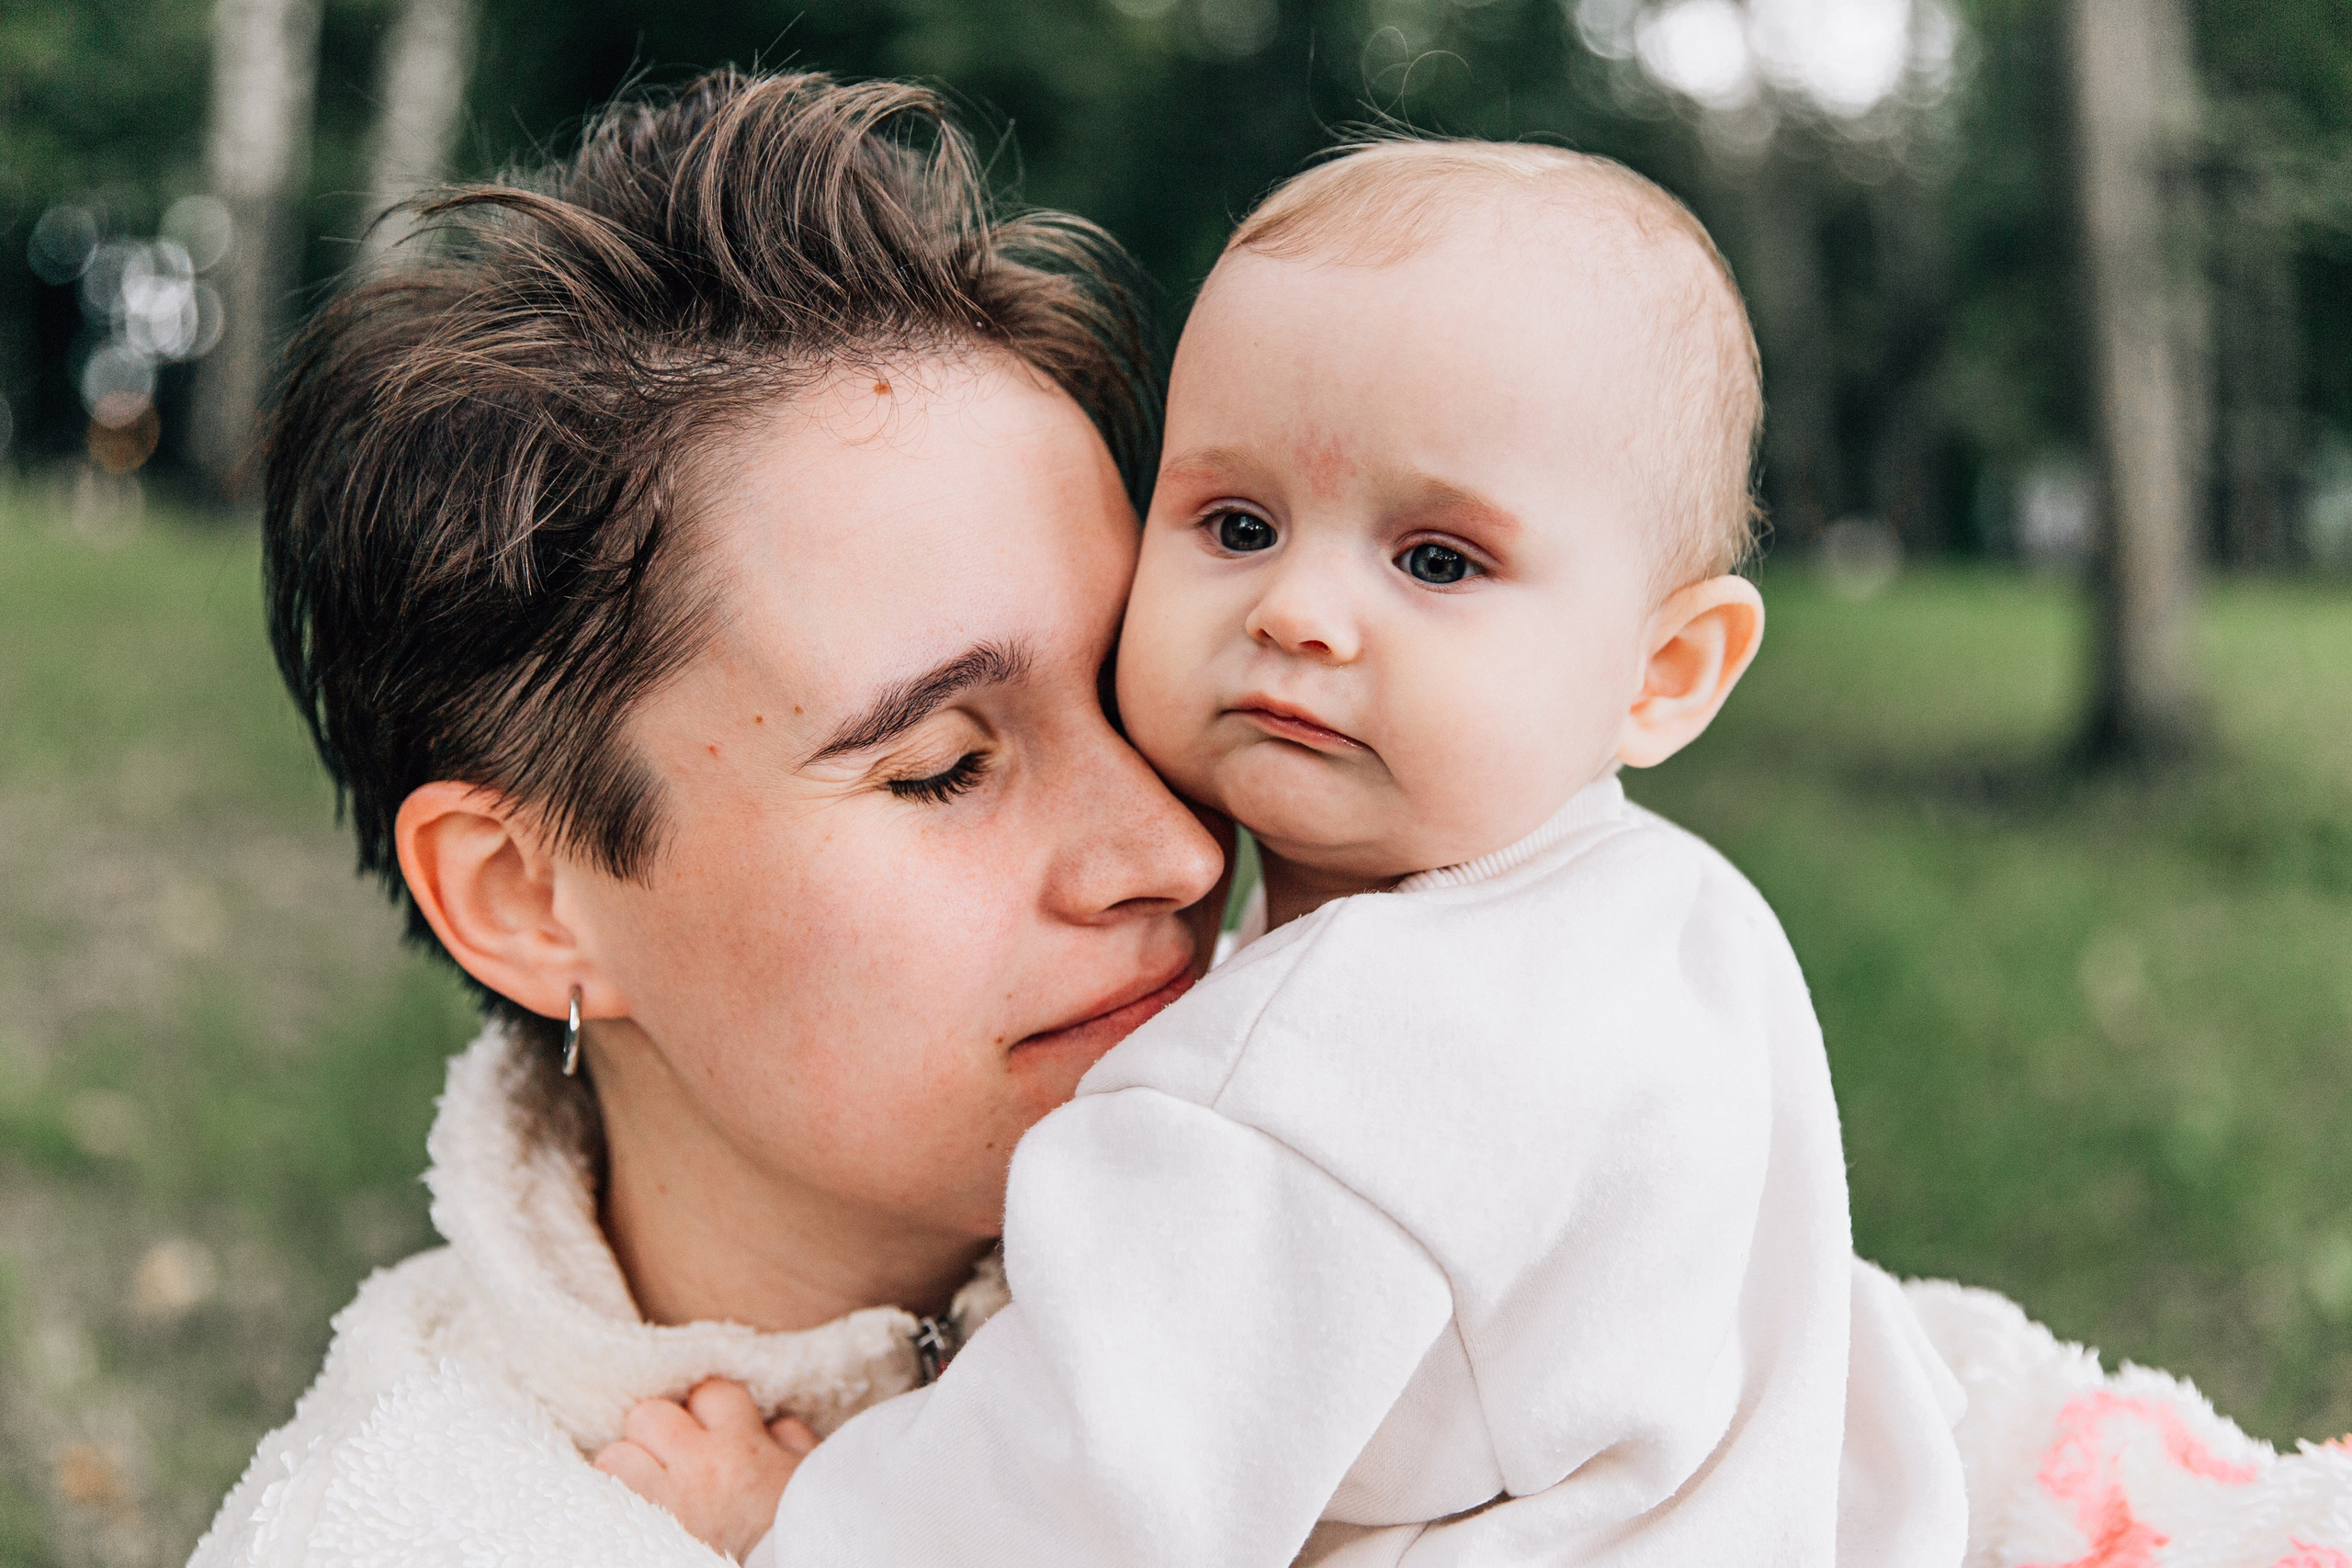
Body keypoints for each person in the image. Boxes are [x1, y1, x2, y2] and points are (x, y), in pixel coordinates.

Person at [603, 138, 1972, 1568]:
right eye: (1238, 525)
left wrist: (791, 1523)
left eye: (1437, 558)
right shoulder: (1691, 922)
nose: (1302, 610)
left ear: (1668, 669)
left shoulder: (1305, 1082)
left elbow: (1088, 1493)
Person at [188, 69, 1233, 1568]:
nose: (1179, 853)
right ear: (527, 899)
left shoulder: (1422, 1232)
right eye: (941, 763)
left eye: (1135, 692)